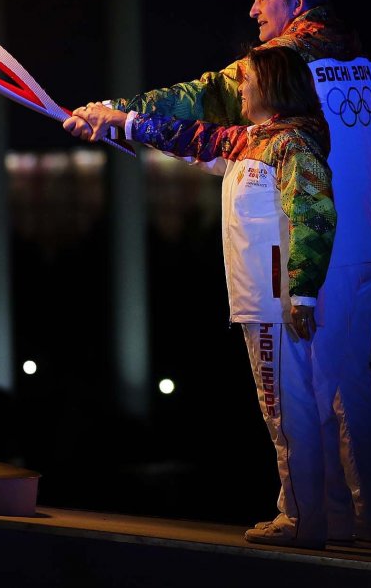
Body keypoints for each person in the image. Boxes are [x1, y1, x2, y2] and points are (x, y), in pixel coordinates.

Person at [64, 0, 371, 548]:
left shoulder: (281, 64)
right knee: (349, 383)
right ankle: (367, 517)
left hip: (305, 248)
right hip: (362, 241)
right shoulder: (361, 63)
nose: (253, 9)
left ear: (297, 4)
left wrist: (117, 112)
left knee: (301, 387)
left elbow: (200, 101)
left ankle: (313, 517)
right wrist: (351, 202)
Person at [67, 46, 338, 549]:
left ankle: (303, 519)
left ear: (274, 85)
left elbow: (314, 214)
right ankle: (313, 514)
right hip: (262, 301)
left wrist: (302, 292)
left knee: (286, 407)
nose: (241, 87)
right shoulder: (250, 140)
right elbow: (187, 136)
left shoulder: (292, 143)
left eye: (248, 79)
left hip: (277, 302)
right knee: (284, 406)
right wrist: (116, 120)